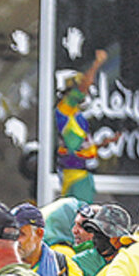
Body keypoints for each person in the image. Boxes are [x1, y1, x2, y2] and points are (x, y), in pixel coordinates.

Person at [55, 50, 111, 203]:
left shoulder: (77, 116)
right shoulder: (64, 110)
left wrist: (103, 144)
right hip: (74, 175)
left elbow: (79, 147)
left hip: (83, 173)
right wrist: (97, 64)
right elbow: (83, 87)